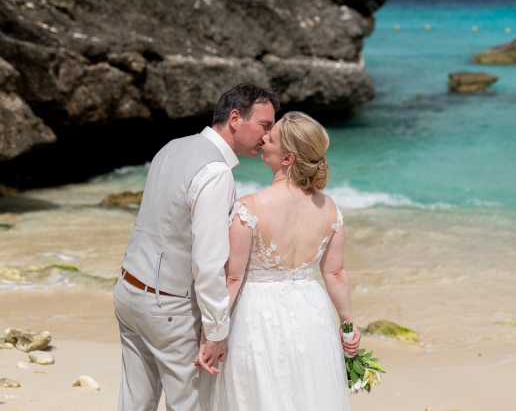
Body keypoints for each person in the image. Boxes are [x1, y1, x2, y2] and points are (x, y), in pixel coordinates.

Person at [114, 83, 279, 411]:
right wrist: (216, 329)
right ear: (235, 118)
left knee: (134, 403)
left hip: (128, 291)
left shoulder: (174, 146)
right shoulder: (216, 172)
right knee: (191, 405)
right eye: (265, 125)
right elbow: (208, 260)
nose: (268, 136)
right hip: (169, 307)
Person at [210, 111, 360, 410]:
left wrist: (211, 332)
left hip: (257, 317)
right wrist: (348, 326)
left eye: (272, 137)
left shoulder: (248, 207)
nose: (264, 137)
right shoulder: (329, 208)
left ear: (288, 158)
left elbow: (232, 279)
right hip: (312, 316)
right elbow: (336, 273)